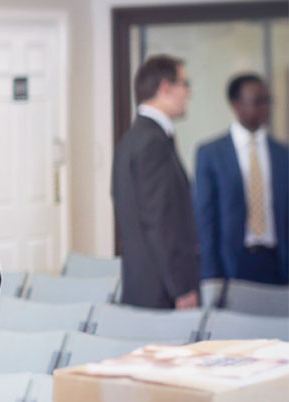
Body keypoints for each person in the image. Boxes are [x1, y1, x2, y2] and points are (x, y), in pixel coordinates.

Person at [112, 55, 200, 309]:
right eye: (184, 84)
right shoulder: (153, 142)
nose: (189, 92)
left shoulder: (131, 139)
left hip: (144, 286)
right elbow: (161, 222)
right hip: (163, 292)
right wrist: (182, 287)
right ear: (165, 87)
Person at [195, 74, 289, 285]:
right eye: (258, 101)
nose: (266, 108)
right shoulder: (211, 154)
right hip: (232, 265)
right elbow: (205, 218)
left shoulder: (283, 155)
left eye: (268, 101)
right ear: (236, 104)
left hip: (277, 264)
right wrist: (210, 275)